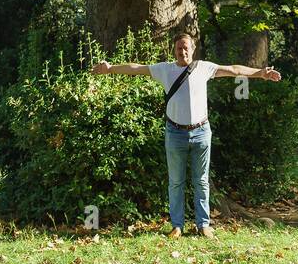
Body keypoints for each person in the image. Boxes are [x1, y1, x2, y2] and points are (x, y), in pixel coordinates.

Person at [92, 32, 281, 237]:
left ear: (193, 49)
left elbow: (234, 70)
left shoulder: (204, 68)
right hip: (175, 133)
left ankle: (203, 225)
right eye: (179, 48)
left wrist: (260, 73)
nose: (183, 51)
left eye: (186, 48)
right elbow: (137, 68)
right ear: (174, 51)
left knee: (201, 180)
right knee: (176, 182)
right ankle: (177, 226)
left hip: (201, 132)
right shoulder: (165, 70)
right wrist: (110, 69)